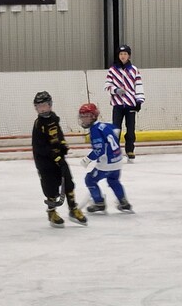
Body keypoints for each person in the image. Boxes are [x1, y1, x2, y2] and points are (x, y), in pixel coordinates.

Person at [31, 90, 87, 228]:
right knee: (51, 187)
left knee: (68, 182)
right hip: (45, 162)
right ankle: (51, 212)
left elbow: (58, 135)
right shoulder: (38, 124)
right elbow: (40, 146)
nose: (42, 109)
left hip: (58, 158)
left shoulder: (54, 119)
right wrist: (54, 156)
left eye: (44, 105)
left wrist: (62, 145)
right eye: (39, 106)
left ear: (50, 105)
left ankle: (73, 209)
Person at [77, 102, 132, 213]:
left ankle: (99, 203)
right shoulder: (105, 125)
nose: (83, 119)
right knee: (113, 180)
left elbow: (99, 149)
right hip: (118, 160)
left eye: (86, 116)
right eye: (82, 116)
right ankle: (123, 202)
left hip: (106, 164)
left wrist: (88, 159)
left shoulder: (94, 130)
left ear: (93, 116)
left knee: (90, 179)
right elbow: (116, 130)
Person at [104, 44, 145, 161]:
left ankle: (130, 150)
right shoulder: (112, 70)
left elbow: (138, 85)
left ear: (129, 56)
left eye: (125, 54)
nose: (123, 56)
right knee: (116, 129)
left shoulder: (134, 70)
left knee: (130, 129)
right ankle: (115, 151)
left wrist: (139, 100)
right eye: (121, 54)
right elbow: (107, 86)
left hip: (130, 104)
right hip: (117, 104)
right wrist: (115, 90)